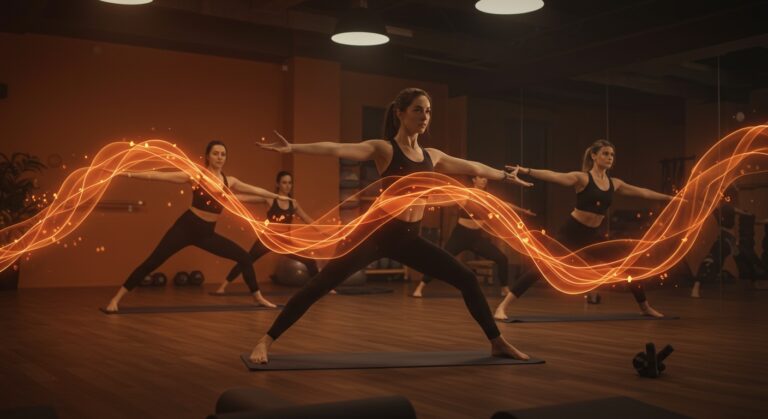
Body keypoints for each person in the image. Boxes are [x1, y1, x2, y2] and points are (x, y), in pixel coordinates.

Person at [249, 88, 532, 363]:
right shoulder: (384, 149)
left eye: (428, 111)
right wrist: (292, 148)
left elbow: (473, 167)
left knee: (466, 279)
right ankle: (266, 340)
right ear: (400, 113)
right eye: (418, 110)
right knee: (319, 285)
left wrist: (505, 177)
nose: (425, 116)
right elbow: (337, 148)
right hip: (374, 235)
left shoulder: (432, 156)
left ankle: (497, 342)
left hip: (409, 239)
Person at [494, 139, 674, 320]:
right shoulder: (582, 178)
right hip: (571, 234)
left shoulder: (615, 183)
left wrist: (669, 198)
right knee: (541, 269)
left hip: (592, 236)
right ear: (594, 156)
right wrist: (526, 171)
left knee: (627, 265)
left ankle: (645, 307)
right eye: (605, 153)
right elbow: (555, 176)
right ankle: (502, 307)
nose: (609, 157)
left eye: (612, 154)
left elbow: (642, 192)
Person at [105, 141, 288, 312]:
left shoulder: (228, 181)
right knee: (153, 261)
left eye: (223, 154)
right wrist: (125, 173)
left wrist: (278, 197)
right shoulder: (196, 175)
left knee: (244, 258)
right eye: (215, 153)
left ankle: (258, 297)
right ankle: (115, 299)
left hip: (207, 234)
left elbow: (254, 189)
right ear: (208, 156)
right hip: (185, 228)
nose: (219, 157)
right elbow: (158, 176)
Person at [412, 175, 535, 298]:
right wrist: (422, 200)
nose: (483, 180)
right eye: (480, 177)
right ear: (474, 180)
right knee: (441, 260)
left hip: (476, 238)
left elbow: (505, 205)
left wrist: (523, 211)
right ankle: (420, 287)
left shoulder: (487, 198)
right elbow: (444, 200)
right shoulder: (466, 195)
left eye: (485, 178)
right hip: (460, 236)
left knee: (502, 258)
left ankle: (504, 289)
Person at [216, 170, 321, 293]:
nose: (287, 185)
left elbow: (307, 219)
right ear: (278, 184)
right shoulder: (270, 199)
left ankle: (322, 288)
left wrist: (322, 230)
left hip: (284, 241)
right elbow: (246, 198)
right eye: (284, 182)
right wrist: (226, 196)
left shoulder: (293, 203)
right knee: (246, 259)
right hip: (267, 239)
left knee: (309, 261)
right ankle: (222, 287)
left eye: (289, 183)